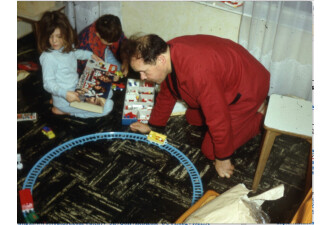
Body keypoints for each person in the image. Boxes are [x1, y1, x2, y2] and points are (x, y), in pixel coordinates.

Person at [121, 34, 270, 178]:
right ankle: (254, 110)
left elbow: (218, 118)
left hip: (249, 89)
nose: (142, 77)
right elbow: (168, 91)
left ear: (160, 60)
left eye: (144, 71)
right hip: (232, 79)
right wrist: (154, 127)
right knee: (192, 117)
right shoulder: (167, 53)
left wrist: (223, 158)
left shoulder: (198, 73)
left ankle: (263, 116)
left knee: (211, 151)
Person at [37, 11, 114, 118]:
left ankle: (57, 102)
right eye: (50, 36)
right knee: (109, 105)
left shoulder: (65, 46)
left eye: (59, 36)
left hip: (77, 88)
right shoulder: (48, 57)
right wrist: (65, 94)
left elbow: (74, 53)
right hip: (67, 99)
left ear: (66, 34)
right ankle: (66, 111)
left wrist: (90, 55)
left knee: (109, 92)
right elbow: (48, 83)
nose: (54, 41)